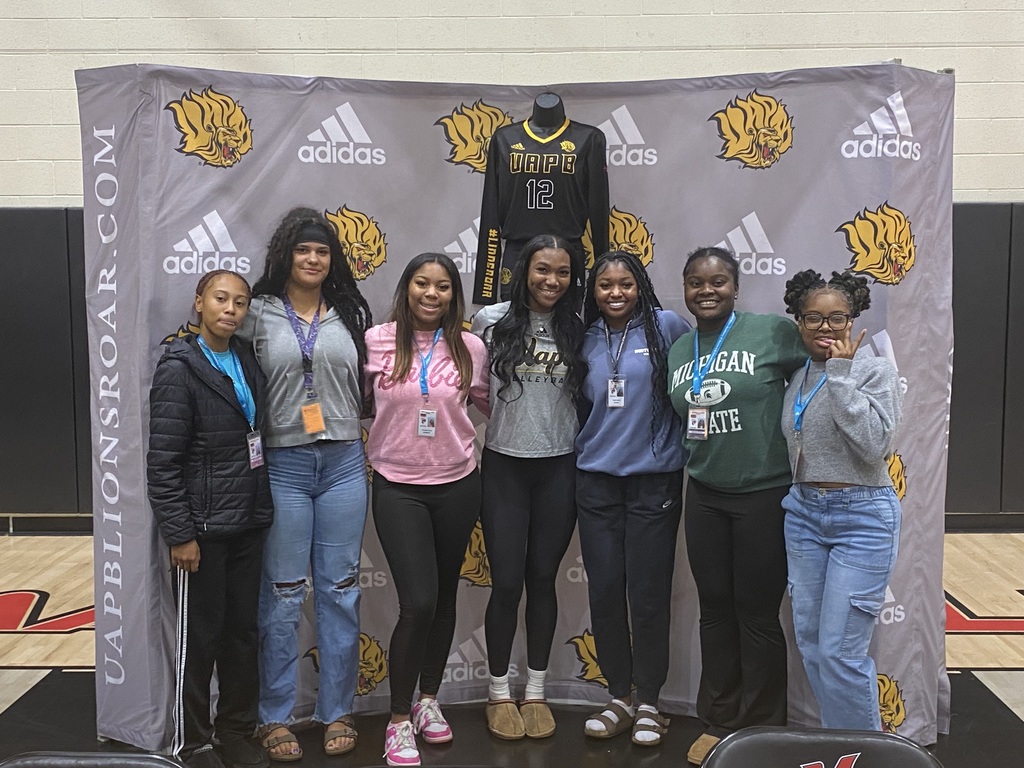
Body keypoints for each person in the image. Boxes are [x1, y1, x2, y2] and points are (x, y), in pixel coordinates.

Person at [238, 207, 373, 762]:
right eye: (303, 250)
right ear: (285, 256)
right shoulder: (258, 314)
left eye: (322, 251)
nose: (314, 259)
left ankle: (336, 710)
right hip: (285, 465)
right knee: (284, 593)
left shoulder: (347, 313)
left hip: (343, 462)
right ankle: (273, 716)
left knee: (340, 590)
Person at [667, 246, 806, 765]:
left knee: (758, 614)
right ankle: (719, 721)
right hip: (702, 495)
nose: (707, 290)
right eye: (697, 282)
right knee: (715, 612)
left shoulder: (772, 332)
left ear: (735, 287)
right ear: (684, 287)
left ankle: (765, 729)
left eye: (719, 281)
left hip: (762, 496)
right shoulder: (681, 349)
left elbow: (820, 359)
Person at [364, 253, 491, 767]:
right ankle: (397, 721)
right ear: (407, 288)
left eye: (442, 286)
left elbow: (484, 402)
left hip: (458, 483)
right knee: (417, 602)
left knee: (442, 601)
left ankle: (429, 701)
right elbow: (358, 401)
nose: (431, 294)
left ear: (453, 295)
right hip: (397, 486)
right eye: (422, 283)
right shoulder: (376, 340)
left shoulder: (472, 347)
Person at [147, 270, 273, 768]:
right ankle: (193, 741)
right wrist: (180, 534)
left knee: (242, 635)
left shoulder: (245, 359)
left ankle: (237, 730)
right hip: (201, 533)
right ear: (199, 303)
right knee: (199, 641)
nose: (231, 310)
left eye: (240, 303)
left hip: (247, 521)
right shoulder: (179, 367)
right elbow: (163, 464)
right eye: (221, 299)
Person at [470, 234, 586, 740]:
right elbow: (473, 391)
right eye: (542, 270)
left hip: (560, 469)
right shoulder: (489, 321)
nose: (551, 281)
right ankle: (499, 694)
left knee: (542, 582)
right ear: (523, 270)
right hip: (504, 469)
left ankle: (535, 691)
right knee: (507, 584)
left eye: (562, 272)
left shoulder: (580, 328)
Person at [574, 251, 691, 747]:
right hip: (596, 482)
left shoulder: (667, 326)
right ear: (593, 292)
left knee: (646, 595)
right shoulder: (583, 337)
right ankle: (618, 695)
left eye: (625, 283)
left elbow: (692, 389)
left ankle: (651, 702)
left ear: (640, 285)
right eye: (605, 286)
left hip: (653, 482)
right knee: (603, 592)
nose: (615, 293)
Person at [780, 269, 903, 730]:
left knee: (840, 651)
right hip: (804, 516)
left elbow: (873, 446)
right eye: (814, 317)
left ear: (853, 320)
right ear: (798, 321)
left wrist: (841, 375)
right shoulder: (797, 376)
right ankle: (841, 746)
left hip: (862, 517)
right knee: (812, 643)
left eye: (837, 318)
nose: (826, 327)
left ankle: (862, 754)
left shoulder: (875, 370)